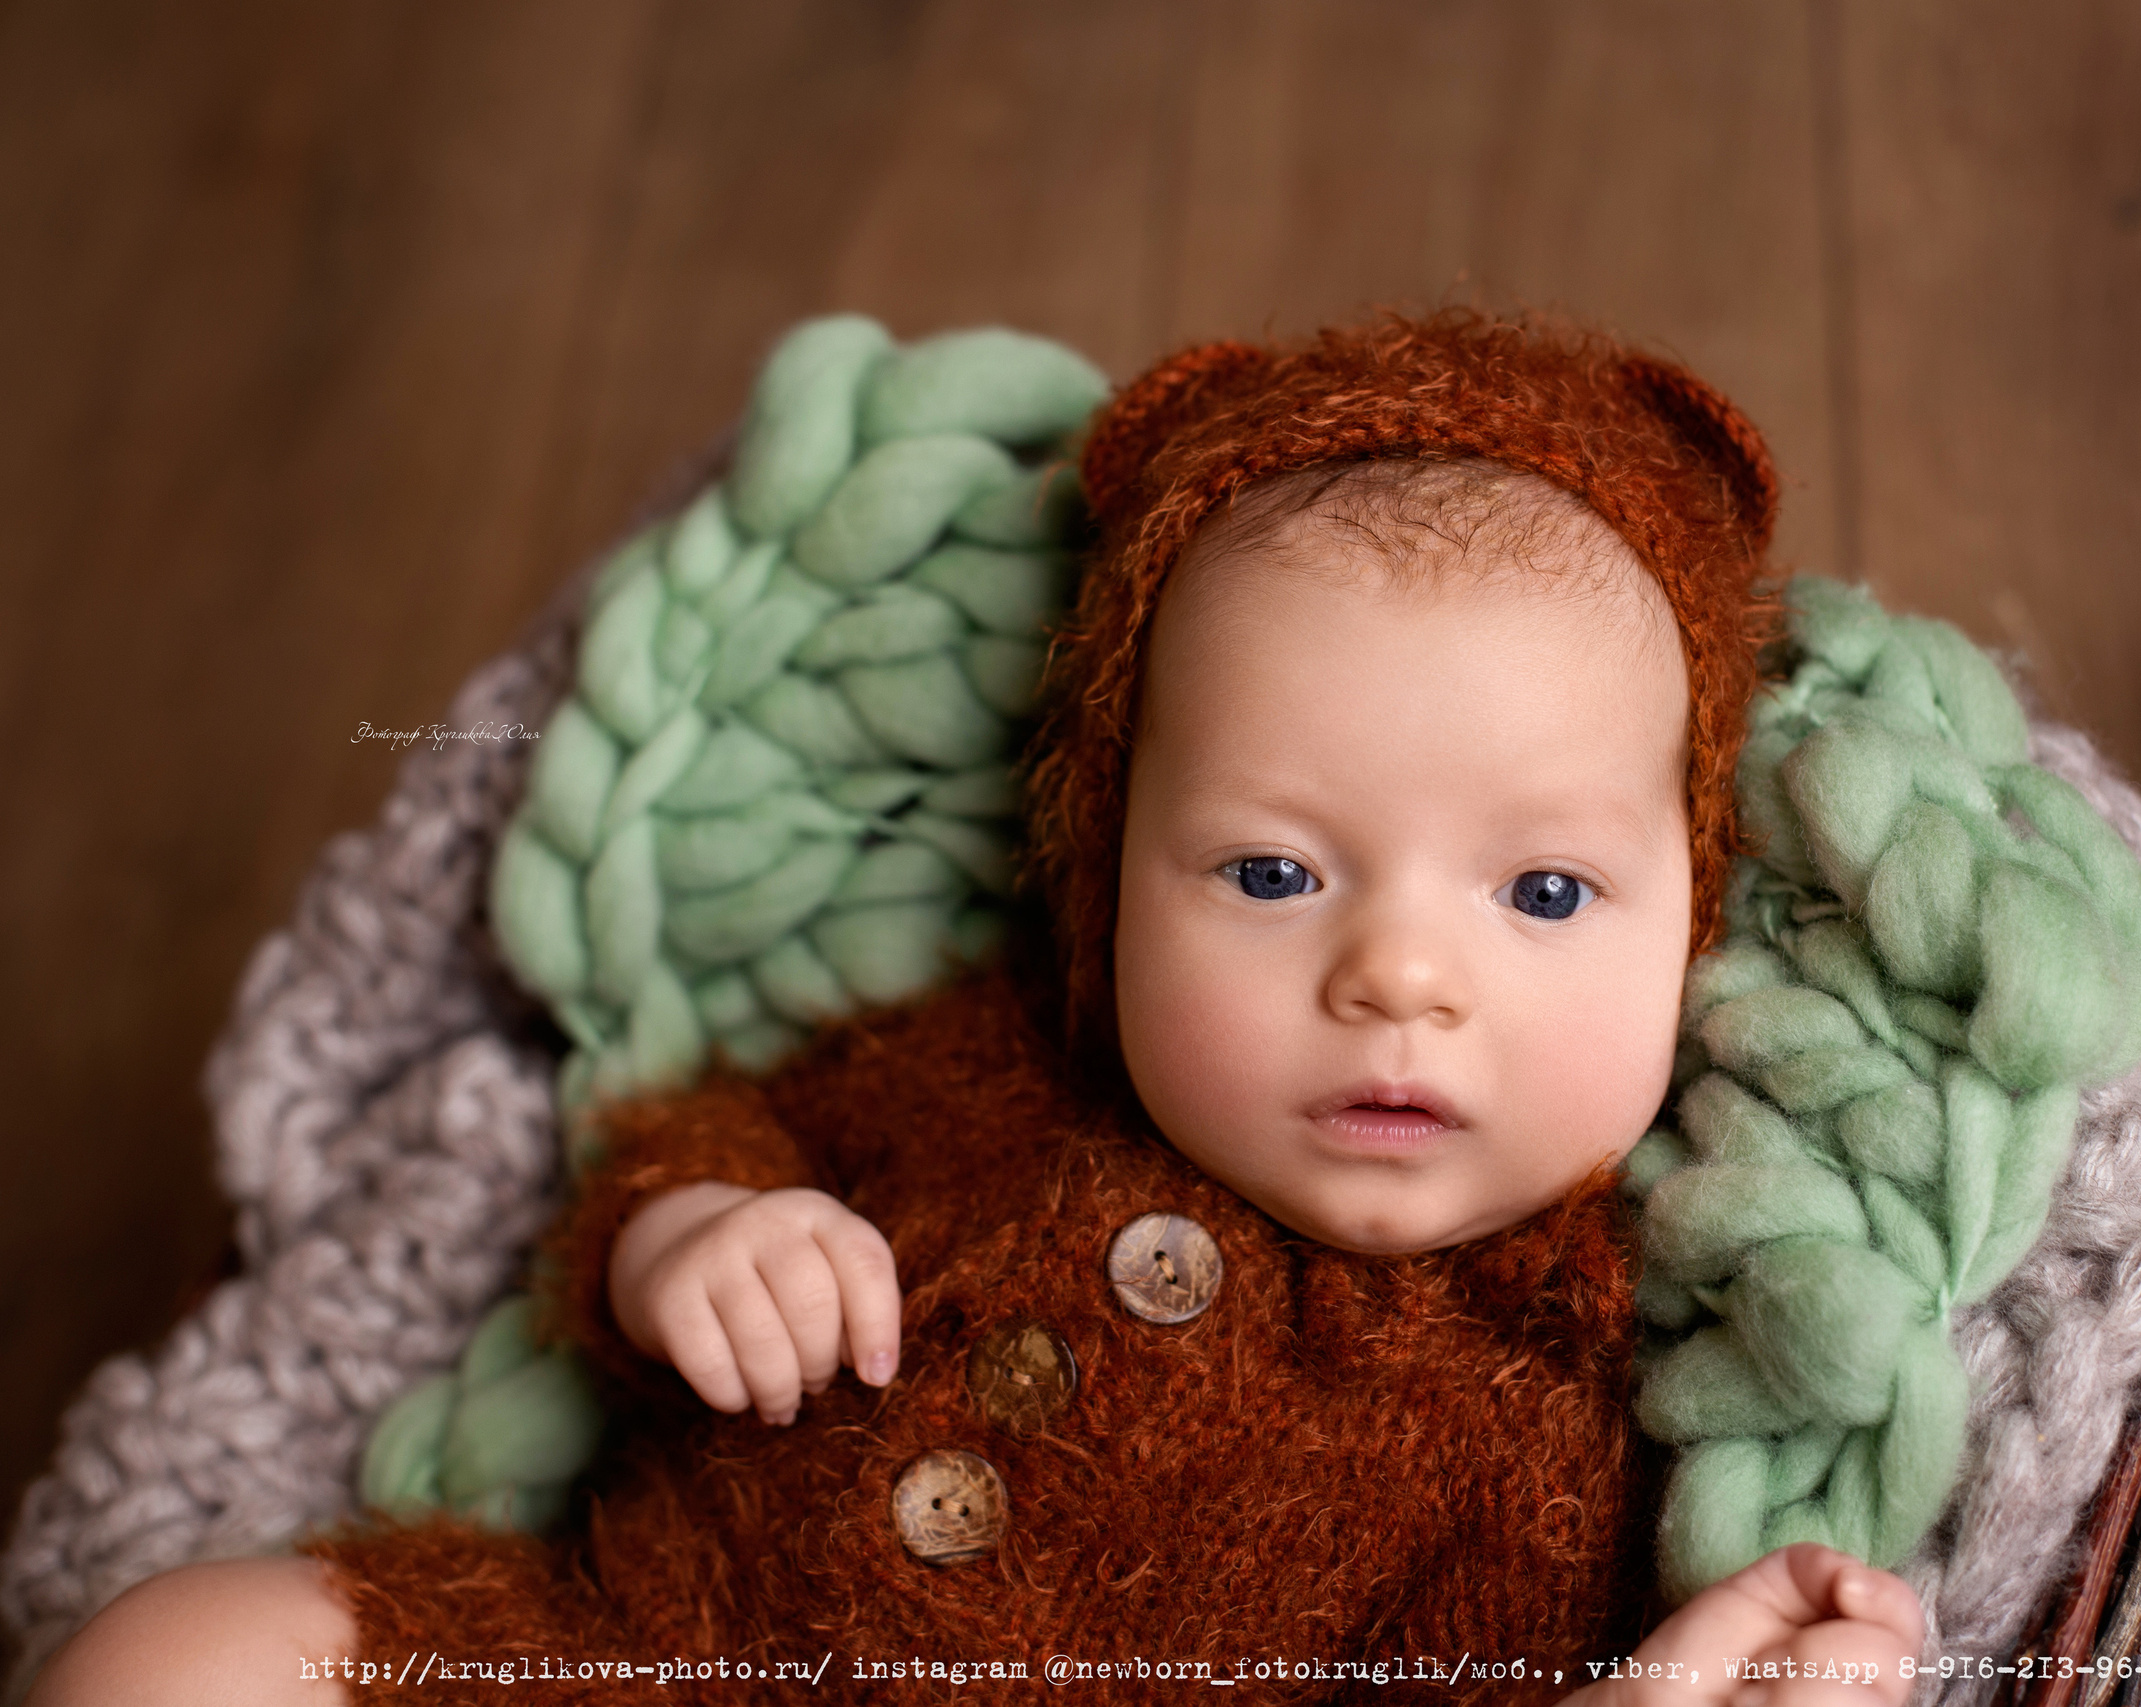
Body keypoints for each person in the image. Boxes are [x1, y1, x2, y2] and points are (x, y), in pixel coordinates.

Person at [31, 312, 1925, 1704]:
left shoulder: (1548, 1399)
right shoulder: (999, 1074)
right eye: (1271, 875)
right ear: (1103, 880)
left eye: (1543, 894)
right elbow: (710, 1144)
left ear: (1690, 920)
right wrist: (692, 1240)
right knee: (173, 1657)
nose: (1401, 981)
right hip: (631, 1658)